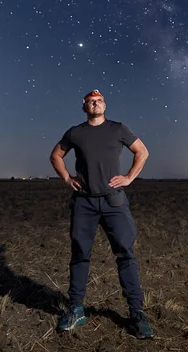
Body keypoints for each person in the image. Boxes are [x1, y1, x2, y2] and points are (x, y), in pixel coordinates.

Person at [49, 89, 153, 339]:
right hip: (84, 202)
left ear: (104, 105)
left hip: (113, 202)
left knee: (125, 254)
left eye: (98, 101)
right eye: (90, 102)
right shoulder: (75, 132)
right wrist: (66, 178)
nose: (94, 104)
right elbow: (56, 155)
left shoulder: (118, 129)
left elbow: (142, 152)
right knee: (79, 254)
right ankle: (76, 309)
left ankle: (136, 312)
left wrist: (129, 177)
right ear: (83, 106)